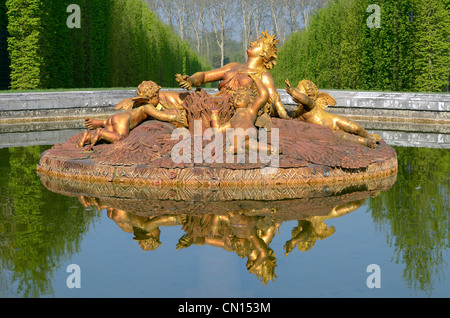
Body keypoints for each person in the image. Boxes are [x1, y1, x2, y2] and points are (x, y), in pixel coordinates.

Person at [176, 30, 290, 128]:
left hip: (229, 107)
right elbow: (205, 76)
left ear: (264, 52)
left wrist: (281, 113)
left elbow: (274, 102)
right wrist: (191, 80)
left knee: (197, 104)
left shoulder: (263, 75)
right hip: (215, 99)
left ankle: (177, 117)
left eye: (257, 44)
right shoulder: (233, 66)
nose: (251, 42)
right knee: (169, 97)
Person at [77, 81, 187, 149]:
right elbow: (160, 116)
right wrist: (176, 117)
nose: (159, 99)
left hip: (115, 117)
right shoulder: (147, 106)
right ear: (150, 97)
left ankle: (88, 136)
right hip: (123, 121)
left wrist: (101, 122)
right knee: (121, 139)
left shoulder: (135, 105)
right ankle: (100, 132)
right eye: (157, 97)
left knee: (108, 139)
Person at [285, 78, 381, 148]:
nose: (296, 91)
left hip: (333, 120)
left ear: (308, 94)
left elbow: (305, 100)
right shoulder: (299, 111)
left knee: (355, 128)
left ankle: (368, 135)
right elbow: (287, 115)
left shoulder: (310, 104)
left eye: (298, 89)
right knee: (343, 137)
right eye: (296, 89)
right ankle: (365, 142)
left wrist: (292, 92)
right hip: (328, 131)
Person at [210, 74, 279, 155]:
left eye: (243, 96)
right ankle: (270, 149)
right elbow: (218, 130)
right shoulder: (232, 120)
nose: (239, 97)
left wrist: (256, 79)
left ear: (250, 100)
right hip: (247, 136)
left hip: (247, 131)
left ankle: (236, 147)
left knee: (234, 135)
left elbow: (263, 95)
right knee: (250, 145)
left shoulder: (250, 110)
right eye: (237, 96)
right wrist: (214, 115)